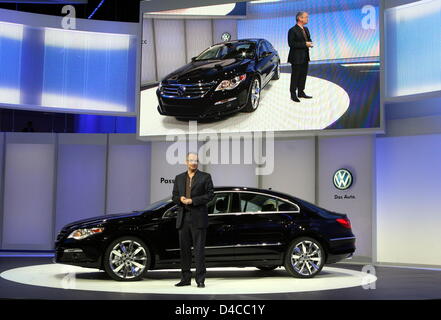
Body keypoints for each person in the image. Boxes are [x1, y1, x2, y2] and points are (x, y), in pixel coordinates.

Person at [172, 152, 214, 288]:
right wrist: (180, 199)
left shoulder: (205, 177)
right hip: (183, 217)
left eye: (196, 160)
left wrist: (193, 200)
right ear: (186, 162)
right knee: (184, 251)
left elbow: (210, 195)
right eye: (191, 160)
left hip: (198, 217)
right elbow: (174, 196)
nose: (194, 163)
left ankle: (200, 279)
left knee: (199, 250)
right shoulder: (178, 178)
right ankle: (185, 278)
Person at [287, 11, 314, 102]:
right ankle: (293, 94)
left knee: (303, 75)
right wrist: (305, 44)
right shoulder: (292, 30)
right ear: (300, 18)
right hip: (296, 57)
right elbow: (291, 44)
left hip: (305, 56)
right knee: (295, 76)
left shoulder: (306, 29)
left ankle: (301, 92)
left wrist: (310, 43)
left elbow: (308, 39)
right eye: (306, 17)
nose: (307, 19)